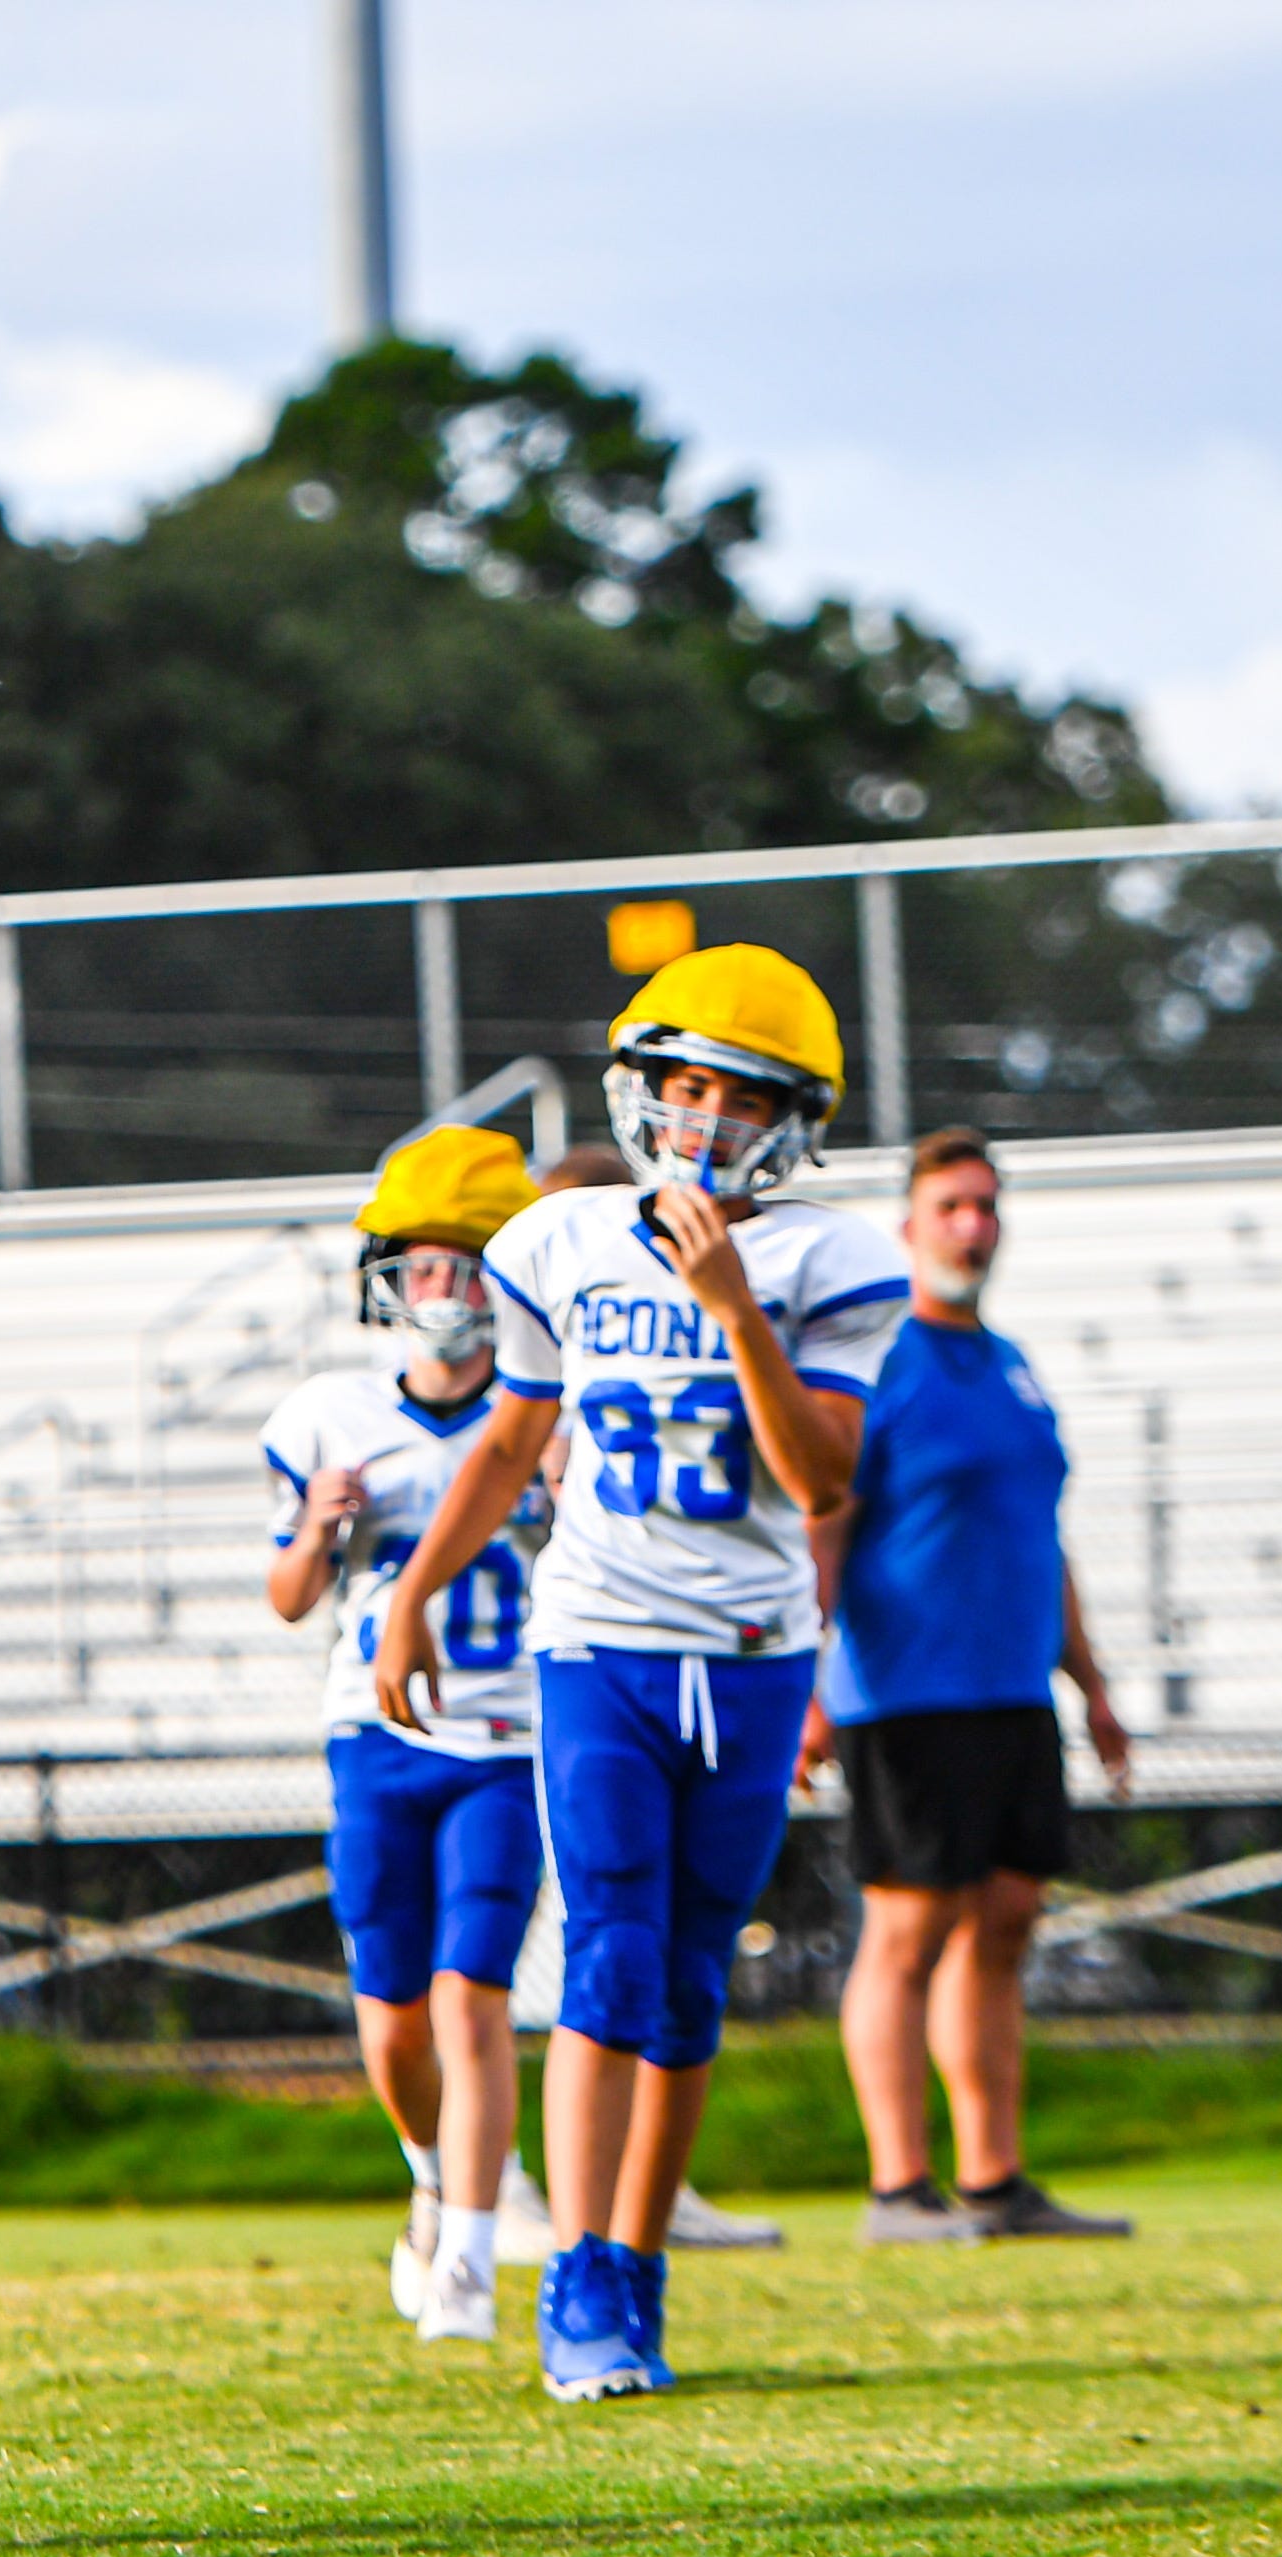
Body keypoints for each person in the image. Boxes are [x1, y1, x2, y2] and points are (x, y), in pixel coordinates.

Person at [378, 944, 906, 2400]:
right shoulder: (558, 1241)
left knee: (683, 1979)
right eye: (682, 1085)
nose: (704, 1117)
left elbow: (819, 1478)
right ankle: (579, 2282)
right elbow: (508, 1437)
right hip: (598, 1636)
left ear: (791, 1117)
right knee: (607, 1946)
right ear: (638, 1088)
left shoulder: (833, 1261)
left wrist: (732, 1309)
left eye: (740, 1095)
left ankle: (636, 2263)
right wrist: (414, 1592)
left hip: (748, 1652)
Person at [806, 1128, 1139, 2242]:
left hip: (1012, 1691)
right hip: (905, 1692)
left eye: (986, 1205)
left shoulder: (1009, 1365)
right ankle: (898, 2186)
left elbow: (1042, 1536)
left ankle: (993, 2181)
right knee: (909, 1927)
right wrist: (803, 1683)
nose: (972, 1226)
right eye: (951, 1205)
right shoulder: (880, 1359)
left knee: (1004, 1919)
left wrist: (1090, 1684)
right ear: (909, 1225)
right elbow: (825, 1522)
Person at [259, 1127, 549, 2349]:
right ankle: (432, 2175)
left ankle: (472, 2257)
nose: (443, 1286)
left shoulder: (549, 1413)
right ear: (387, 1274)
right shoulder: (330, 1414)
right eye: (422, 1263)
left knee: (470, 1992)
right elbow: (288, 1598)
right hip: (375, 1736)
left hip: (508, 1734)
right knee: (389, 2015)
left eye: (467, 1262)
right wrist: (319, 1531)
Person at [491, 1137, 789, 2269]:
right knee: (553, 1947)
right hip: (545, 1679)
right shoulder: (531, 1363)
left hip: (669, 1664)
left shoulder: (695, 1327)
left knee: (652, 1949)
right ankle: (497, 2192)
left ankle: (635, 2205)